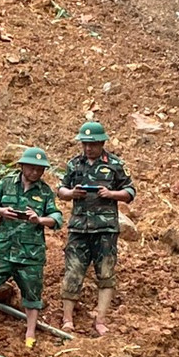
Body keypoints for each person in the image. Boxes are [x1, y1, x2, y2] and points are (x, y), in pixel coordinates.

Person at [0, 146, 63, 348]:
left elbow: (56, 218)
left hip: (31, 253)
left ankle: (30, 333)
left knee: (32, 294)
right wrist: (2, 211)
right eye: (32, 168)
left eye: (40, 169)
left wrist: (39, 219)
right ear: (22, 166)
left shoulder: (45, 191)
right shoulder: (6, 183)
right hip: (3, 249)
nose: (36, 172)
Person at [57, 121, 134, 336]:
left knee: (106, 273)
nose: (88, 148)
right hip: (79, 228)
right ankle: (67, 319)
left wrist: (111, 194)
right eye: (85, 144)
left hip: (105, 229)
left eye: (92, 144)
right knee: (73, 272)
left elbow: (130, 192)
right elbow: (60, 190)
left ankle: (100, 319)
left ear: (102, 143)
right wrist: (71, 193)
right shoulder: (74, 164)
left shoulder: (115, 164)